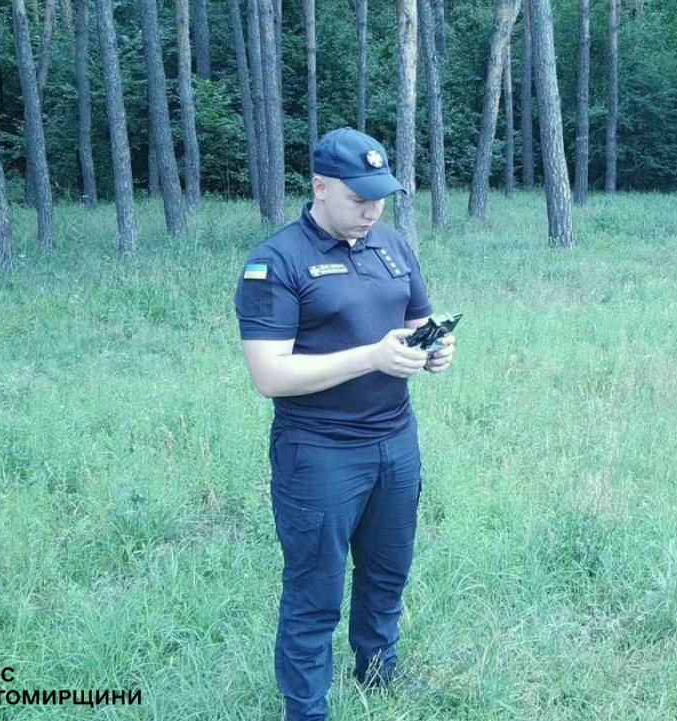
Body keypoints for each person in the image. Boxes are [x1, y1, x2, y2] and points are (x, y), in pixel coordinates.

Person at [234, 127, 456, 721]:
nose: (372, 210)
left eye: (379, 198)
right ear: (320, 187)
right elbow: (270, 375)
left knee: (387, 572)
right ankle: (307, 709)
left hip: (395, 441)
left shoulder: (392, 245)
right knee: (316, 588)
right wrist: (372, 357)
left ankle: (377, 673)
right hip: (320, 452)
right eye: (359, 198)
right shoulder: (277, 261)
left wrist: (435, 347)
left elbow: (416, 319)